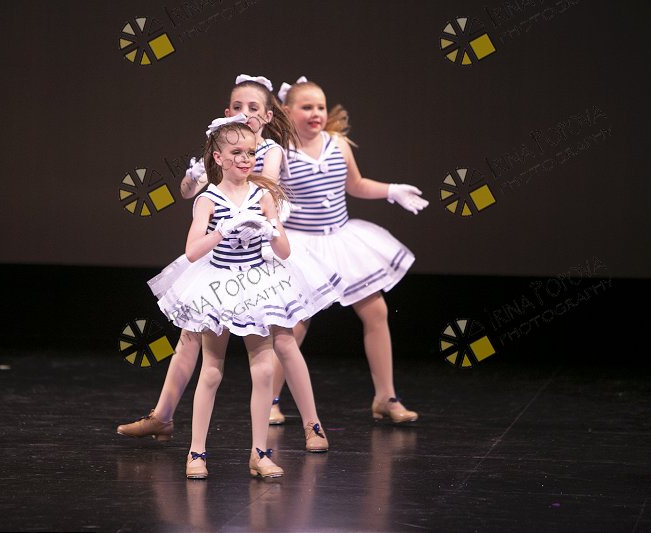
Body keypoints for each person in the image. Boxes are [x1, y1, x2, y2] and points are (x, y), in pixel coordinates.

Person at [119, 75, 334, 454]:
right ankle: (162, 415)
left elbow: (265, 187)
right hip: (224, 254)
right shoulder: (223, 148)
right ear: (227, 111)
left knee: (283, 339)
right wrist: (197, 174)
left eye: (253, 108)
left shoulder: (266, 151)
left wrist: (224, 169)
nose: (245, 113)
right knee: (190, 336)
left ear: (267, 116)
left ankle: (312, 423)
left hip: (262, 249)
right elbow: (189, 193)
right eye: (237, 107)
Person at [269, 77, 428, 425]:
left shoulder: (337, 143)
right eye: (307, 107)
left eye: (321, 107)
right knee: (295, 325)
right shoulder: (280, 151)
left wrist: (391, 191)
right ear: (287, 111)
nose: (316, 113)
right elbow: (269, 193)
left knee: (376, 312)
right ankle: (270, 401)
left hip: (341, 241)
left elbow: (355, 184)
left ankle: (386, 397)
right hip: (302, 246)